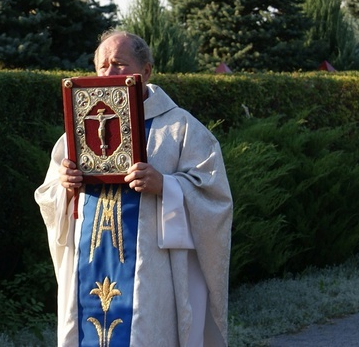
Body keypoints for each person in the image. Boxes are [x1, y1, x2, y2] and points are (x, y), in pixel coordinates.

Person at [35, 30, 233, 346]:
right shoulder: (77, 128)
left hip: (151, 273)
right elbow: (48, 196)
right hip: (89, 264)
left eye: (119, 64)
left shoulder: (179, 128)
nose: (109, 73)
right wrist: (65, 185)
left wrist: (166, 186)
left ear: (146, 71)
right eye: (102, 65)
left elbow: (214, 198)